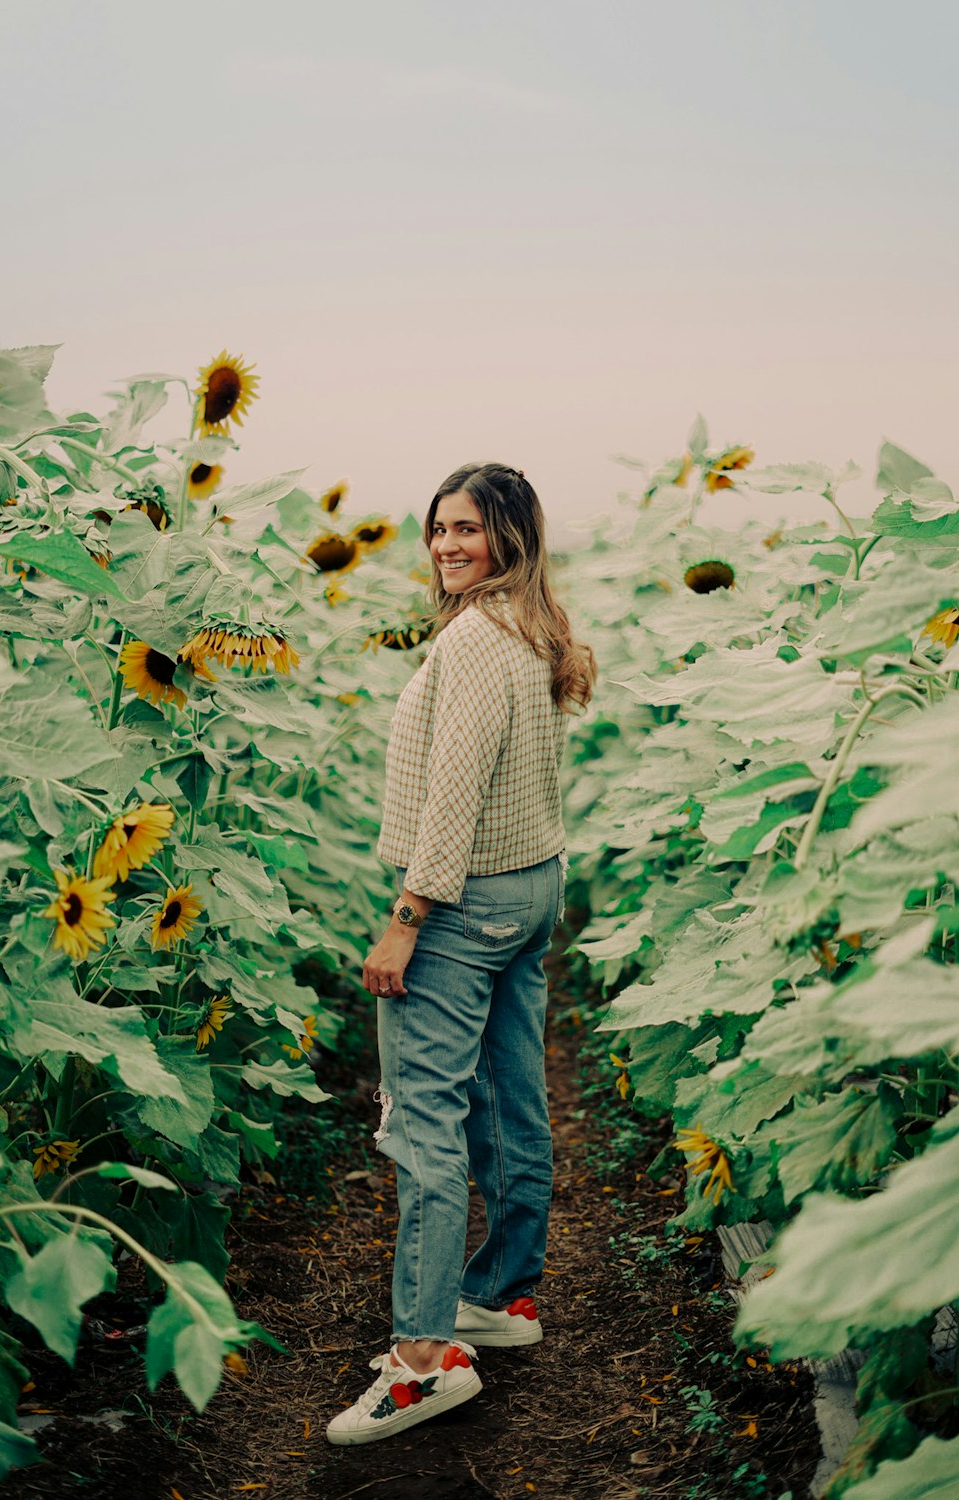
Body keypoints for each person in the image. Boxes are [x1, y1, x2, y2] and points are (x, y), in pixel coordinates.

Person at [326, 462, 596, 1446]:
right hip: (528, 889)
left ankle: (419, 1364)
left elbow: (455, 791)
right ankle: (503, 1301)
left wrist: (408, 914)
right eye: (438, 528)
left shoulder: (479, 637)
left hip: (462, 899)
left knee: (424, 1123)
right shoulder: (529, 625)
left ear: (509, 540)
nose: (446, 546)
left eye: (468, 531)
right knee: (511, 1094)